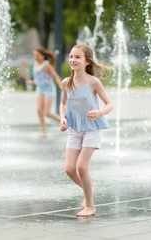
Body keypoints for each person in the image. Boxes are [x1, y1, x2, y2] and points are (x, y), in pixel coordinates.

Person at [59, 44, 113, 217]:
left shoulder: (93, 82)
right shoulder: (66, 82)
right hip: (74, 129)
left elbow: (109, 104)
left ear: (87, 61)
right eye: (71, 56)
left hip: (91, 129)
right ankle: (89, 189)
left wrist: (99, 113)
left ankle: (90, 205)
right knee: (69, 169)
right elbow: (63, 103)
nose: (73, 60)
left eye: (77, 57)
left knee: (82, 167)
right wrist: (62, 117)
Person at [27, 47, 62, 136]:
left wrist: (61, 86)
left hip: (49, 90)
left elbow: (55, 76)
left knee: (47, 113)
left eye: (37, 55)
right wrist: (33, 82)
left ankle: (63, 121)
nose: (35, 57)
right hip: (40, 90)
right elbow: (39, 78)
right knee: (39, 111)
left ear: (43, 56)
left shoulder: (46, 65)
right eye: (34, 55)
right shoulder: (35, 64)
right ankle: (44, 131)